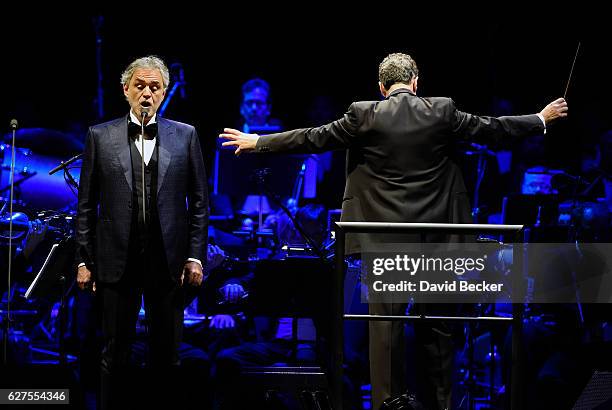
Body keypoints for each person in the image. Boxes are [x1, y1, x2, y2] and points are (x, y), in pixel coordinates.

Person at [220, 52, 568, 409]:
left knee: (385, 328)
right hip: (438, 244)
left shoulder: (363, 113)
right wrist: (540, 119)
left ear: (382, 88)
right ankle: (443, 403)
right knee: (439, 328)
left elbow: (312, 138)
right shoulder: (442, 110)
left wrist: (259, 142)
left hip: (384, 244)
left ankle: (387, 403)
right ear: (416, 83)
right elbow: (494, 129)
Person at [75, 55, 209, 409]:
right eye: (140, 86)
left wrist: (195, 255)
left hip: (168, 263)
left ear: (164, 93)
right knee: (114, 352)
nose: (147, 93)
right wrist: (83, 260)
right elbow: (85, 205)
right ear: (125, 90)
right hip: (116, 261)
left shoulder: (186, 135)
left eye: (155, 87)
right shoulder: (99, 137)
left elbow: (199, 202)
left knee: (167, 353)